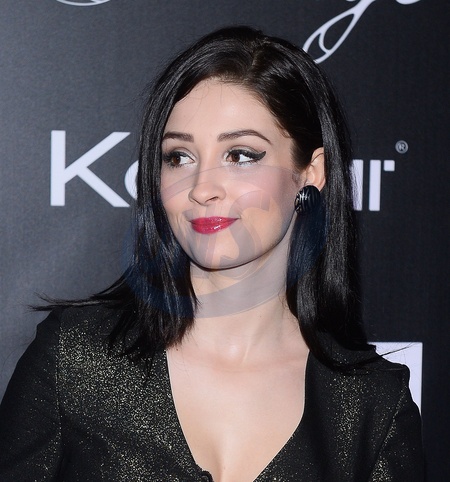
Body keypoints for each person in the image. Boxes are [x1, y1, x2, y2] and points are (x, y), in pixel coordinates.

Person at [0, 26, 424, 481]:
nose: (202, 188)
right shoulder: (75, 358)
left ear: (310, 172)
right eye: (179, 157)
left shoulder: (372, 404)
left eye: (240, 155)